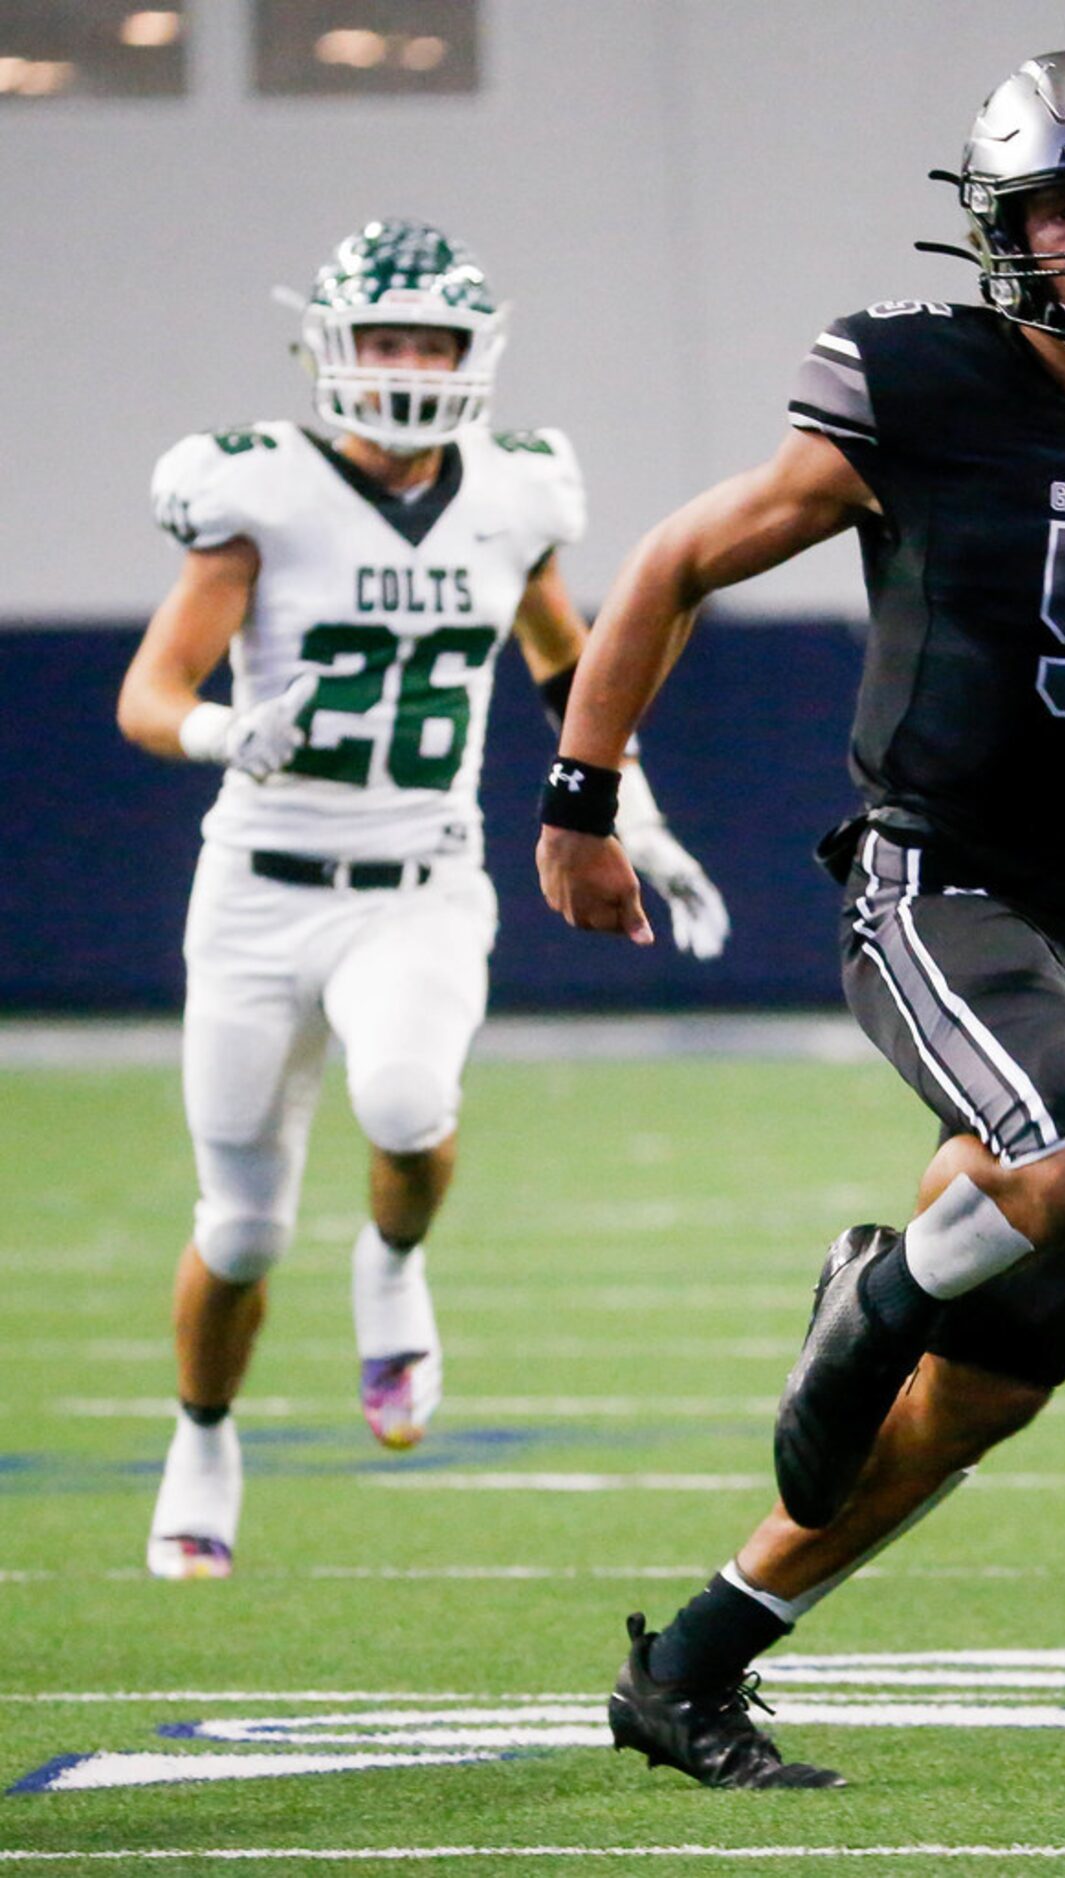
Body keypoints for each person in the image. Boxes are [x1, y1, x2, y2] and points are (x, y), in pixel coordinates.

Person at [537, 51, 1065, 1788]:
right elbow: (673, 562)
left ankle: (693, 1660)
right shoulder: (915, 385)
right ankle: (876, 1287)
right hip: (936, 872)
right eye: (1064, 206)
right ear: (1002, 231)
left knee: (1004, 1378)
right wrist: (583, 794)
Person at [118, 218, 729, 1581]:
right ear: (330, 347)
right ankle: (202, 1434)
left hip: (421, 882)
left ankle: (392, 1266)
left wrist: (637, 810)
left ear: (476, 355)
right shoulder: (258, 488)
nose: (405, 364)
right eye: (383, 338)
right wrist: (223, 733)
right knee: (240, 1224)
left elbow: (572, 681)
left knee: (403, 1101)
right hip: (258, 890)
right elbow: (149, 692)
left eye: (431, 342)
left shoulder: (515, 492)